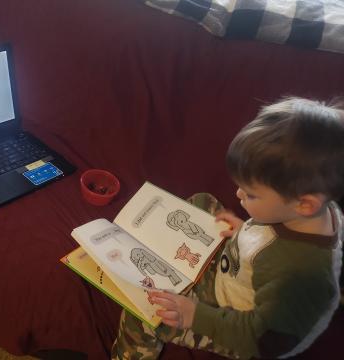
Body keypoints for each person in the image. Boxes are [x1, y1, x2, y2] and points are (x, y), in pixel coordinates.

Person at [111, 97, 344, 359]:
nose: (238, 194)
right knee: (201, 203)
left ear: (305, 204)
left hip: (235, 318)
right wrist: (245, 230)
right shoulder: (320, 208)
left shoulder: (296, 274)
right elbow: (269, 241)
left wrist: (194, 315)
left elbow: (261, 341)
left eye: (251, 194)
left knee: (142, 316)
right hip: (238, 270)